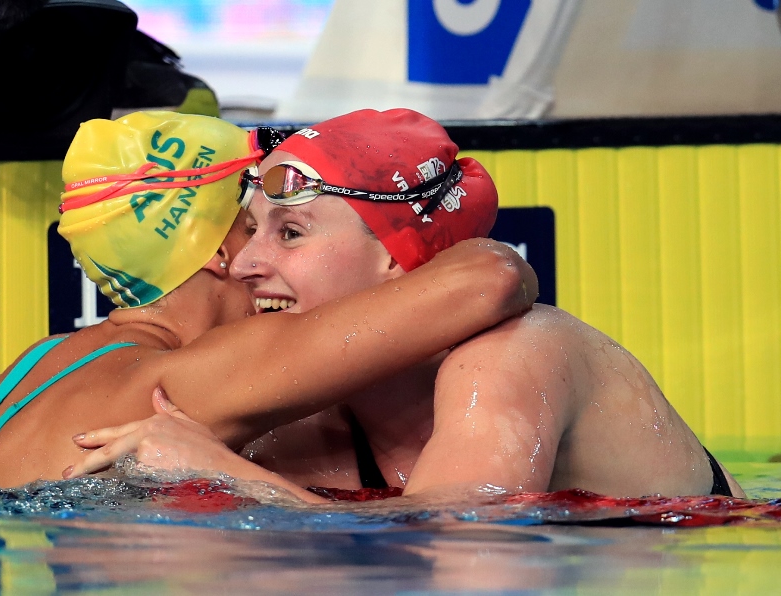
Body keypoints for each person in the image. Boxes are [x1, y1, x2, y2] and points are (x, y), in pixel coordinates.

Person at [67, 108, 745, 501]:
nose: (244, 263)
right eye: (251, 229)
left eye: (290, 233)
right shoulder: (319, 409)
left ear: (394, 256)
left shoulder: (513, 358)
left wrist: (226, 475)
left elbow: (461, 544)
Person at [0, 109, 537, 491]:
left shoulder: (44, 360)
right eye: (255, 223)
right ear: (219, 250)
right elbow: (491, 276)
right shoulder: (196, 377)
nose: (261, 257)